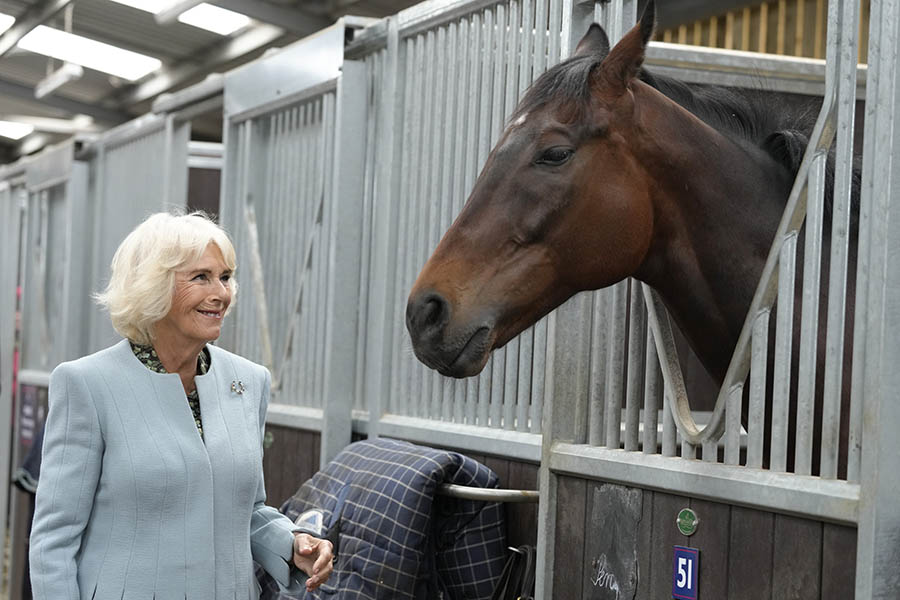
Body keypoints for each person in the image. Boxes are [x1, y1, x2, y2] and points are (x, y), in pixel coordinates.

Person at [29, 211, 333, 599]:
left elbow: (245, 510)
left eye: (225, 277)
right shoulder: (87, 384)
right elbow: (53, 540)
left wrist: (294, 545)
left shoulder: (249, 382)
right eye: (201, 277)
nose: (221, 293)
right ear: (152, 286)